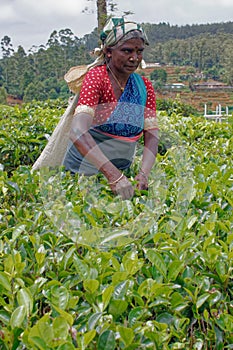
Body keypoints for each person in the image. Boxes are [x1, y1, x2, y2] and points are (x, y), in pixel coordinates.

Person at [63, 17, 159, 200]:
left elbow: (152, 136)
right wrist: (113, 176)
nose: (134, 58)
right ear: (108, 52)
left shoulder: (144, 86)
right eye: (127, 51)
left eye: (139, 51)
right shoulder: (97, 79)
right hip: (83, 174)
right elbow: (77, 132)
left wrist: (143, 174)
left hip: (122, 173)